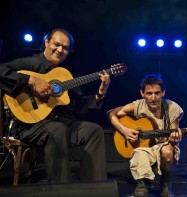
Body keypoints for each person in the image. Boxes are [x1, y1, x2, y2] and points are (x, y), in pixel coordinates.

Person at [0, 28, 110, 183]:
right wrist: (31, 80)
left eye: (65, 48)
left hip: (60, 123)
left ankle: (94, 188)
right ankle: (60, 189)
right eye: (56, 44)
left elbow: (80, 105)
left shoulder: (63, 75)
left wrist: (101, 92)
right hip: (29, 124)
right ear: (46, 42)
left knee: (94, 131)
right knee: (58, 130)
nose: (60, 50)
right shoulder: (32, 63)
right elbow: (1, 70)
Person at [108, 74, 187, 197]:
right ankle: (143, 184)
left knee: (167, 151)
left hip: (165, 144)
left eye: (157, 93)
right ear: (142, 94)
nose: (153, 98)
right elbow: (111, 113)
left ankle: (166, 183)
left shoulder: (172, 108)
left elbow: (172, 138)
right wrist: (124, 130)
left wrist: (175, 139)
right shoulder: (137, 106)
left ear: (163, 93)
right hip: (145, 148)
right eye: (149, 93)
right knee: (139, 153)